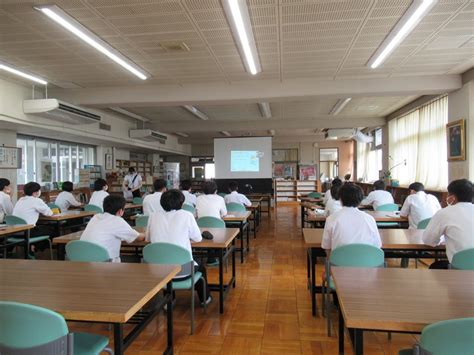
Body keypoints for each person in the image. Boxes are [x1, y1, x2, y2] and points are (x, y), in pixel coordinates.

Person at [146, 189, 211, 305]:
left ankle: (169, 300)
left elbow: (148, 239)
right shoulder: (187, 215)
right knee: (201, 266)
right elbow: (198, 238)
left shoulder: (153, 216)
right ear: (181, 203)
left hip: (158, 272)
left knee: (166, 258)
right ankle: (204, 299)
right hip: (183, 271)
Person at [422, 179, 474, 269]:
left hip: (461, 269)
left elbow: (428, 240)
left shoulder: (444, 213)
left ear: (452, 197)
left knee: (435, 267)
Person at [80, 195, 144, 262]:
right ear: (120, 211)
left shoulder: (96, 217)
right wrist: (146, 233)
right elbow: (139, 237)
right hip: (105, 263)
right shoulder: (117, 220)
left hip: (83, 260)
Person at [322, 183, 381, 255]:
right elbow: (377, 245)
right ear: (360, 199)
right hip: (366, 264)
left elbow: (327, 247)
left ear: (340, 199)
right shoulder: (370, 219)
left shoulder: (331, 219)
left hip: (339, 264)